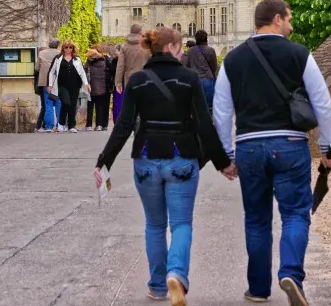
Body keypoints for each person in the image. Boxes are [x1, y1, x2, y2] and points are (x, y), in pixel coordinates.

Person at [95, 27, 233, 306]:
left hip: (146, 159)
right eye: (180, 48)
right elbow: (205, 125)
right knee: (181, 223)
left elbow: (123, 126)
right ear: (170, 47)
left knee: (155, 225)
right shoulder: (189, 79)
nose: (182, 53)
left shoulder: (137, 81)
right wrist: (223, 163)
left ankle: (158, 285)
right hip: (181, 158)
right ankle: (177, 274)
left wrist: (103, 162)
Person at [213, 0, 331, 306]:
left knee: (256, 219)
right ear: (277, 19)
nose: (292, 26)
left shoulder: (234, 59)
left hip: (250, 145)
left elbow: (221, 111)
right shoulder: (299, 54)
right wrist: (328, 146)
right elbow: (322, 103)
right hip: (291, 144)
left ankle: (257, 289)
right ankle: (291, 274)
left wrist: (226, 154)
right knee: (295, 213)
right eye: (289, 19)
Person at [48, 40, 90, 132]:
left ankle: (71, 126)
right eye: (66, 47)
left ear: (73, 48)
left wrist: (86, 84)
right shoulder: (58, 58)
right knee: (66, 103)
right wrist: (50, 85)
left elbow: (82, 72)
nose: (68, 49)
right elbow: (51, 72)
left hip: (75, 85)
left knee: (73, 105)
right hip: (61, 85)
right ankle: (61, 123)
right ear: (63, 48)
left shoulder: (77, 59)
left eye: (70, 47)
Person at [115, 24, 149, 120]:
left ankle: (134, 123)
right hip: (144, 77)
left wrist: (118, 82)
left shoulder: (125, 47)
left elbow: (120, 65)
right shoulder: (146, 45)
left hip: (129, 78)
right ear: (140, 31)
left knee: (131, 102)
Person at [184, 30, 217, 113]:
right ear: (206, 38)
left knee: (196, 107)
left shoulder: (190, 51)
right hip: (208, 80)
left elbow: (186, 66)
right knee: (209, 107)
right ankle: (209, 123)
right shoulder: (211, 50)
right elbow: (214, 67)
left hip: (195, 80)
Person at [35, 39, 61, 132]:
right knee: (58, 104)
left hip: (45, 82)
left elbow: (37, 68)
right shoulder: (60, 53)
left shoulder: (42, 53)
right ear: (58, 45)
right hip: (57, 82)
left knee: (48, 104)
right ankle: (59, 126)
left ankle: (49, 127)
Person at [85, 46, 111, 131]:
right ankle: (99, 125)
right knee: (99, 106)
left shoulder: (89, 61)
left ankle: (89, 125)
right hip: (102, 86)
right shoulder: (105, 59)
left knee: (90, 106)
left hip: (91, 85)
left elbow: (85, 71)